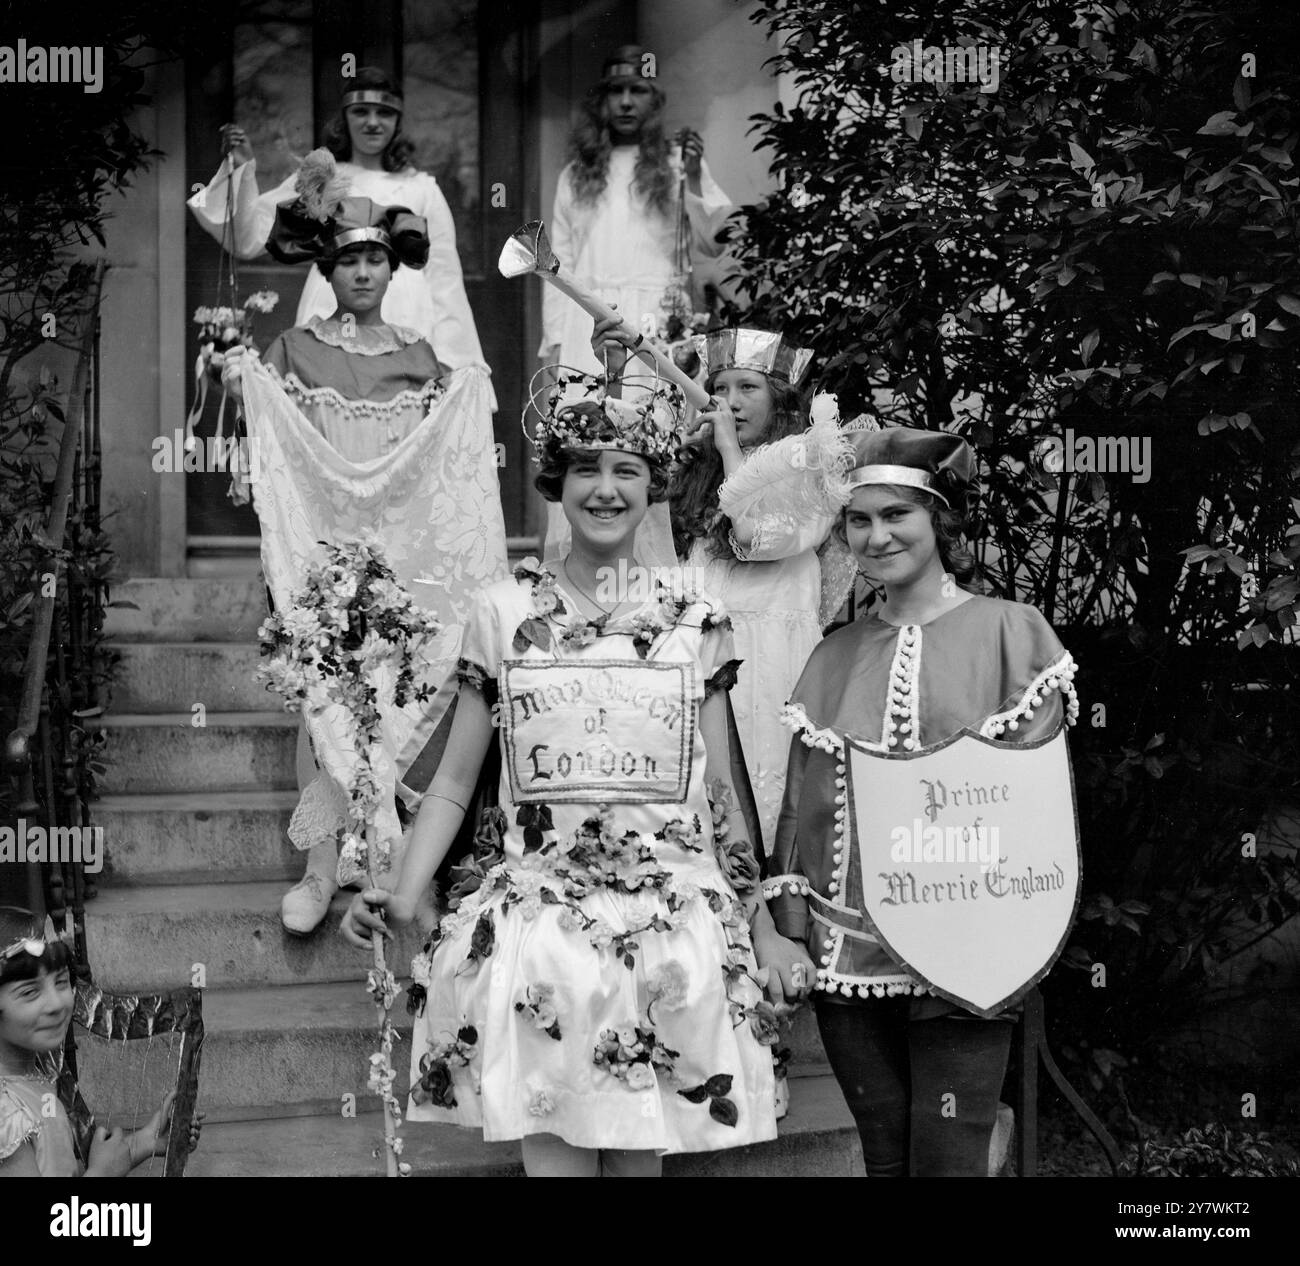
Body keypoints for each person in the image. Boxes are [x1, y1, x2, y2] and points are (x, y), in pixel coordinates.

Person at [341, 363, 815, 1176]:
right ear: (555, 483)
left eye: (626, 469)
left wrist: (763, 923)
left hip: (673, 933)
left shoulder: (696, 618)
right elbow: (456, 781)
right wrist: (406, 890)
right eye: (585, 468)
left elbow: (725, 792)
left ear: (653, 486)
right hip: (542, 936)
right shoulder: (502, 613)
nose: (605, 488)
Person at [764, 428, 1081, 1177]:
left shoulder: (1012, 633)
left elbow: (1030, 807)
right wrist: (786, 925)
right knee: (884, 1152)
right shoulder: (832, 654)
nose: (877, 536)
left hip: (968, 940)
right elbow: (798, 809)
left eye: (896, 514)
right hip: (848, 950)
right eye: (859, 520)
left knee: (949, 1159)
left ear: (938, 518)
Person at [223, 165, 508, 934]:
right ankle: (321, 872)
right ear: (327, 269)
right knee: (323, 705)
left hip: (400, 558)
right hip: (321, 554)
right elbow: (273, 456)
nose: (362, 271)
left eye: (375, 259)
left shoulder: (419, 356)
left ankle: (395, 859)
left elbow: (442, 456)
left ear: (391, 268)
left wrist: (468, 389)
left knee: (399, 696)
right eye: (347, 260)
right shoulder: (291, 350)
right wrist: (237, 375)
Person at [596, 321, 848, 851]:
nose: (729, 402)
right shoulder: (697, 470)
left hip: (773, 662)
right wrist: (616, 379)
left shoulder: (811, 465)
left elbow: (760, 538)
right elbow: (642, 553)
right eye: (720, 389)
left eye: (747, 388)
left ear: (780, 402)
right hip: (700, 658)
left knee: (768, 793)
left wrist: (731, 451)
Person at [189, 67, 492, 401]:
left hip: (407, 312)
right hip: (333, 306)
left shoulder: (421, 188)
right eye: (361, 111)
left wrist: (453, 362)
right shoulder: (323, 177)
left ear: (398, 121)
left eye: (384, 113)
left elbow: (444, 278)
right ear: (345, 117)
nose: (373, 122)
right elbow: (249, 238)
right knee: (329, 407)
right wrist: (244, 169)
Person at [540, 45, 732, 376]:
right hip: (590, 320)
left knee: (654, 417)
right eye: (617, 91)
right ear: (602, 100)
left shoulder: (677, 164)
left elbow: (713, 242)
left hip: (659, 319)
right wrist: (556, 337)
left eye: (638, 90)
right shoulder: (575, 174)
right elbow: (558, 264)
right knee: (590, 418)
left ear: (654, 101)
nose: (626, 102)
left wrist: (696, 176)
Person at [0, 908, 203, 1177]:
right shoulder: (6, 1115)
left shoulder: (29, 1079)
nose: (56, 1003)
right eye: (29, 992)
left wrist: (146, 1140)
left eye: (61, 982)